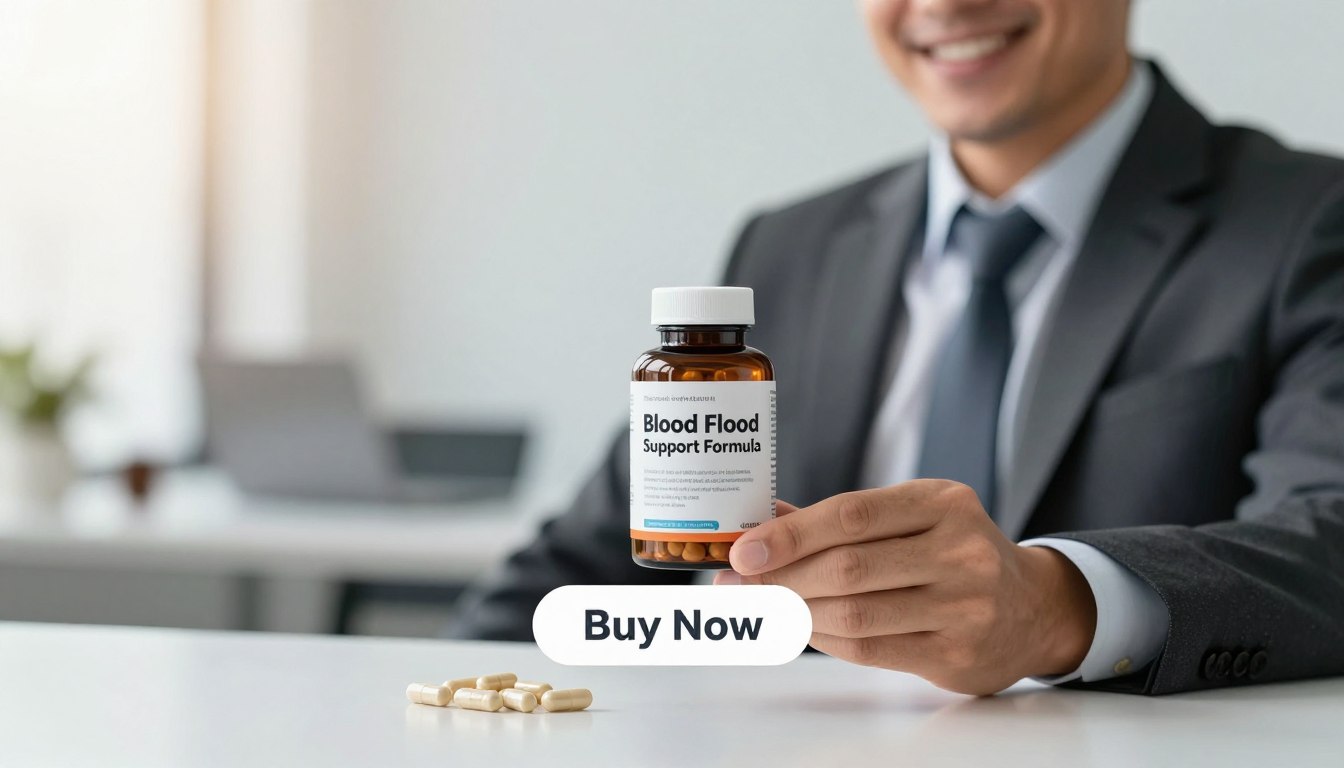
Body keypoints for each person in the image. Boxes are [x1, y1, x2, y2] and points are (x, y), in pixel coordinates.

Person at [449, 0, 1344, 695]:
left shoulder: (1304, 224)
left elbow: (1327, 539)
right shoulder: (790, 247)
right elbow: (584, 566)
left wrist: (1054, 606)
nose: (946, 4)